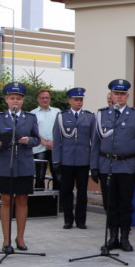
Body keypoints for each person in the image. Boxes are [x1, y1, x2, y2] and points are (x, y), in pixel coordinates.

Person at [90, 79, 135, 252]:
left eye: (122, 94)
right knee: (109, 204)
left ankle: (124, 237)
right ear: (111, 96)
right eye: (116, 94)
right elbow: (96, 143)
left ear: (127, 96)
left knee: (125, 204)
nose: (119, 97)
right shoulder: (102, 115)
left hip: (127, 166)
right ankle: (112, 236)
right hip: (107, 166)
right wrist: (94, 166)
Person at [0, 82, 40, 253]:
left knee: (22, 200)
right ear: (6, 100)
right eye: (11, 98)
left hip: (24, 163)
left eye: (18, 98)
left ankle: (21, 237)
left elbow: (37, 139)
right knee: (6, 200)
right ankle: (6, 239)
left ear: (23, 100)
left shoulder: (30, 118)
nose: (15, 101)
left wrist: (29, 141)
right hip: (5, 163)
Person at [51, 87, 95, 229]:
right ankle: (68, 219)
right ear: (69, 100)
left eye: (81, 100)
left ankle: (81, 220)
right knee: (66, 191)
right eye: (76, 99)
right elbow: (57, 140)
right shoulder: (61, 116)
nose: (79, 102)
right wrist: (56, 160)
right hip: (67, 160)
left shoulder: (89, 116)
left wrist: (93, 162)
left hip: (83, 160)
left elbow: (94, 141)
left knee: (82, 191)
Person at [30, 88, 60, 191]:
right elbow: (33, 131)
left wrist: (53, 143)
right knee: (40, 175)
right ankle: (39, 201)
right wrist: (45, 143)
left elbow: (60, 129)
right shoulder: (33, 114)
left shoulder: (57, 112)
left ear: (50, 99)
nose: (45, 100)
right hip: (39, 147)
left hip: (54, 147)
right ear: (38, 99)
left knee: (57, 174)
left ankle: (57, 201)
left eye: (47, 97)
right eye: (42, 98)